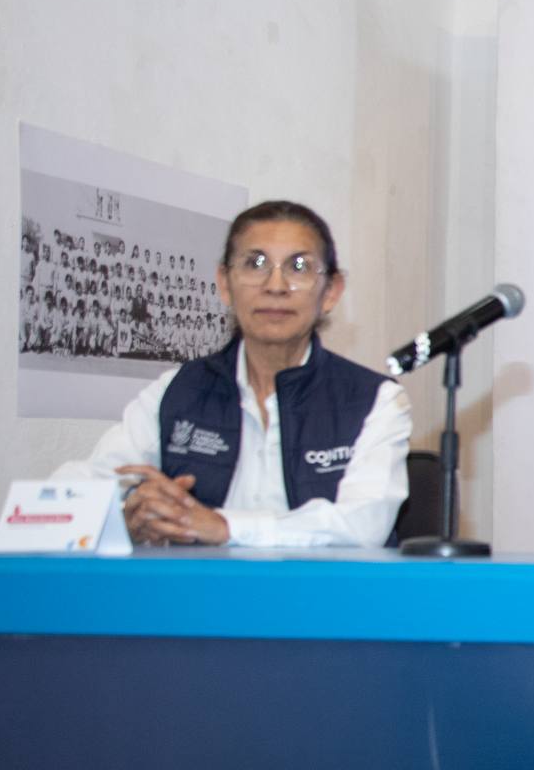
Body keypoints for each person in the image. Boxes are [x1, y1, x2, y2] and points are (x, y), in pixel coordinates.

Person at [56, 200, 411, 547]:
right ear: (225, 284)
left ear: (331, 292)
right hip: (201, 587)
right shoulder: (178, 391)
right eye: (255, 264)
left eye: (299, 266)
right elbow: (84, 487)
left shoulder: (375, 400)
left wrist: (224, 527)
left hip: (319, 587)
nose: (275, 285)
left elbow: (363, 525)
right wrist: (125, 516)